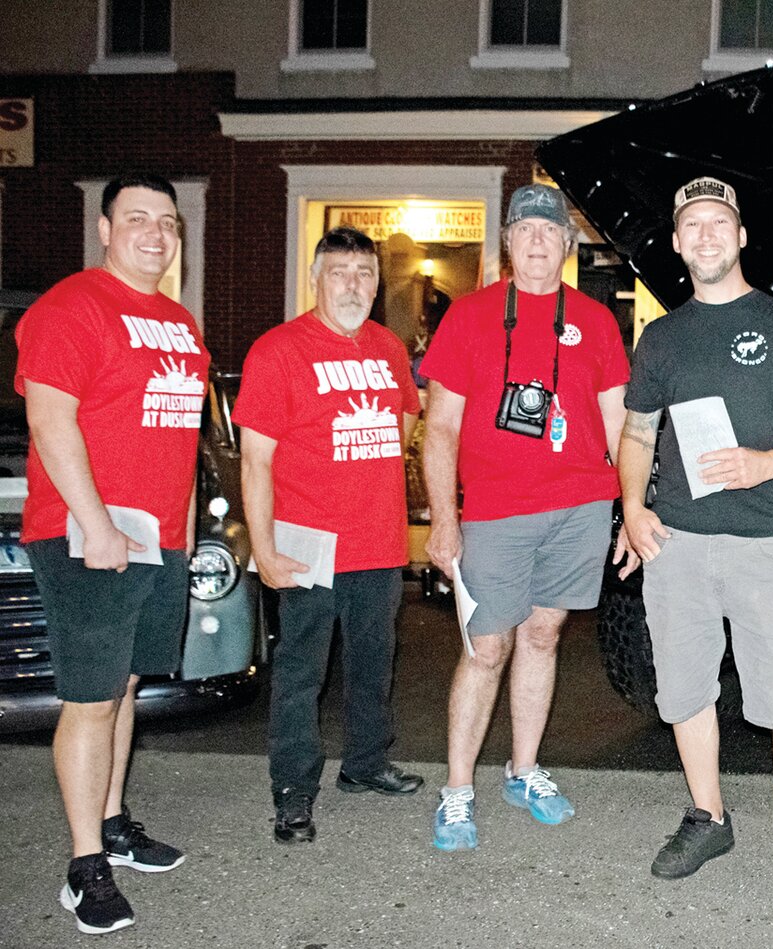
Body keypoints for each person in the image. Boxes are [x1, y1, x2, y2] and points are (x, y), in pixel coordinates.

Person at [614, 177, 773, 920]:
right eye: (693, 226)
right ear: (677, 244)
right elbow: (638, 433)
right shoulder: (662, 337)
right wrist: (630, 507)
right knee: (685, 691)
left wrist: (762, 462)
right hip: (676, 543)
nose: (707, 235)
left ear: (741, 236)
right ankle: (709, 817)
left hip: (763, 542)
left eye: (720, 222)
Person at [16, 173, 207, 934]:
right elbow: (51, 419)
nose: (155, 234)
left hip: (156, 536)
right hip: (85, 535)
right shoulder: (72, 306)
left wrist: (184, 529)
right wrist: (93, 523)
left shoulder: (180, 323)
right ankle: (84, 865)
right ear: (104, 228)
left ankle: (115, 822)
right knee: (91, 696)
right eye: (137, 218)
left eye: (167, 221)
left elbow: (179, 435)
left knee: (125, 687)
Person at [422, 183, 629, 849]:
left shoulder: (596, 321)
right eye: (526, 230)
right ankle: (457, 790)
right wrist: (443, 520)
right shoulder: (470, 316)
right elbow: (441, 428)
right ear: (507, 244)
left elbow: (620, 420)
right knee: (486, 647)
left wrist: (629, 507)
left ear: (568, 246)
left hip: (580, 507)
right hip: (495, 511)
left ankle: (523, 768)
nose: (538, 240)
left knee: (543, 636)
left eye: (551, 231)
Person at [234, 227, 425, 845]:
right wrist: (263, 547)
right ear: (315, 277)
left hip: (377, 541)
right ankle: (293, 791)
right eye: (339, 271)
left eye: (365, 273)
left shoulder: (390, 349)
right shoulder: (279, 350)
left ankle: (366, 765)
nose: (353, 284)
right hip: (306, 542)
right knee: (301, 673)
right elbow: (255, 460)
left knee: (374, 663)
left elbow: (399, 431)